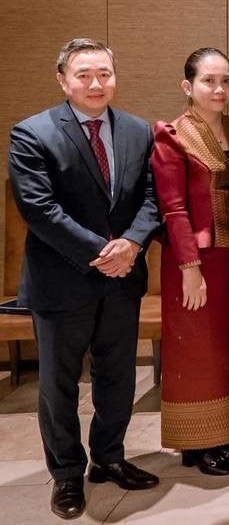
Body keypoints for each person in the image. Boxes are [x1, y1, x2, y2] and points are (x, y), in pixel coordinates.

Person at [8, 38, 161, 519]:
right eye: (84, 74)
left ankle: (109, 458)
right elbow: (39, 209)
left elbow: (152, 198)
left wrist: (132, 244)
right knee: (59, 386)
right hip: (62, 281)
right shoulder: (32, 133)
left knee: (118, 377)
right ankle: (67, 474)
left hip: (123, 278)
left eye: (104, 73)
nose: (96, 83)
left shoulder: (138, 130)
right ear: (63, 80)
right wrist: (103, 253)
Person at [151, 48, 229, 476]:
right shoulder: (172, 135)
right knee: (198, 349)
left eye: (226, 80)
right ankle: (197, 441)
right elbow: (172, 209)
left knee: (228, 346)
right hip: (194, 261)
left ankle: (222, 434)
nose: (219, 89)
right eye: (209, 81)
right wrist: (189, 269)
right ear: (188, 86)